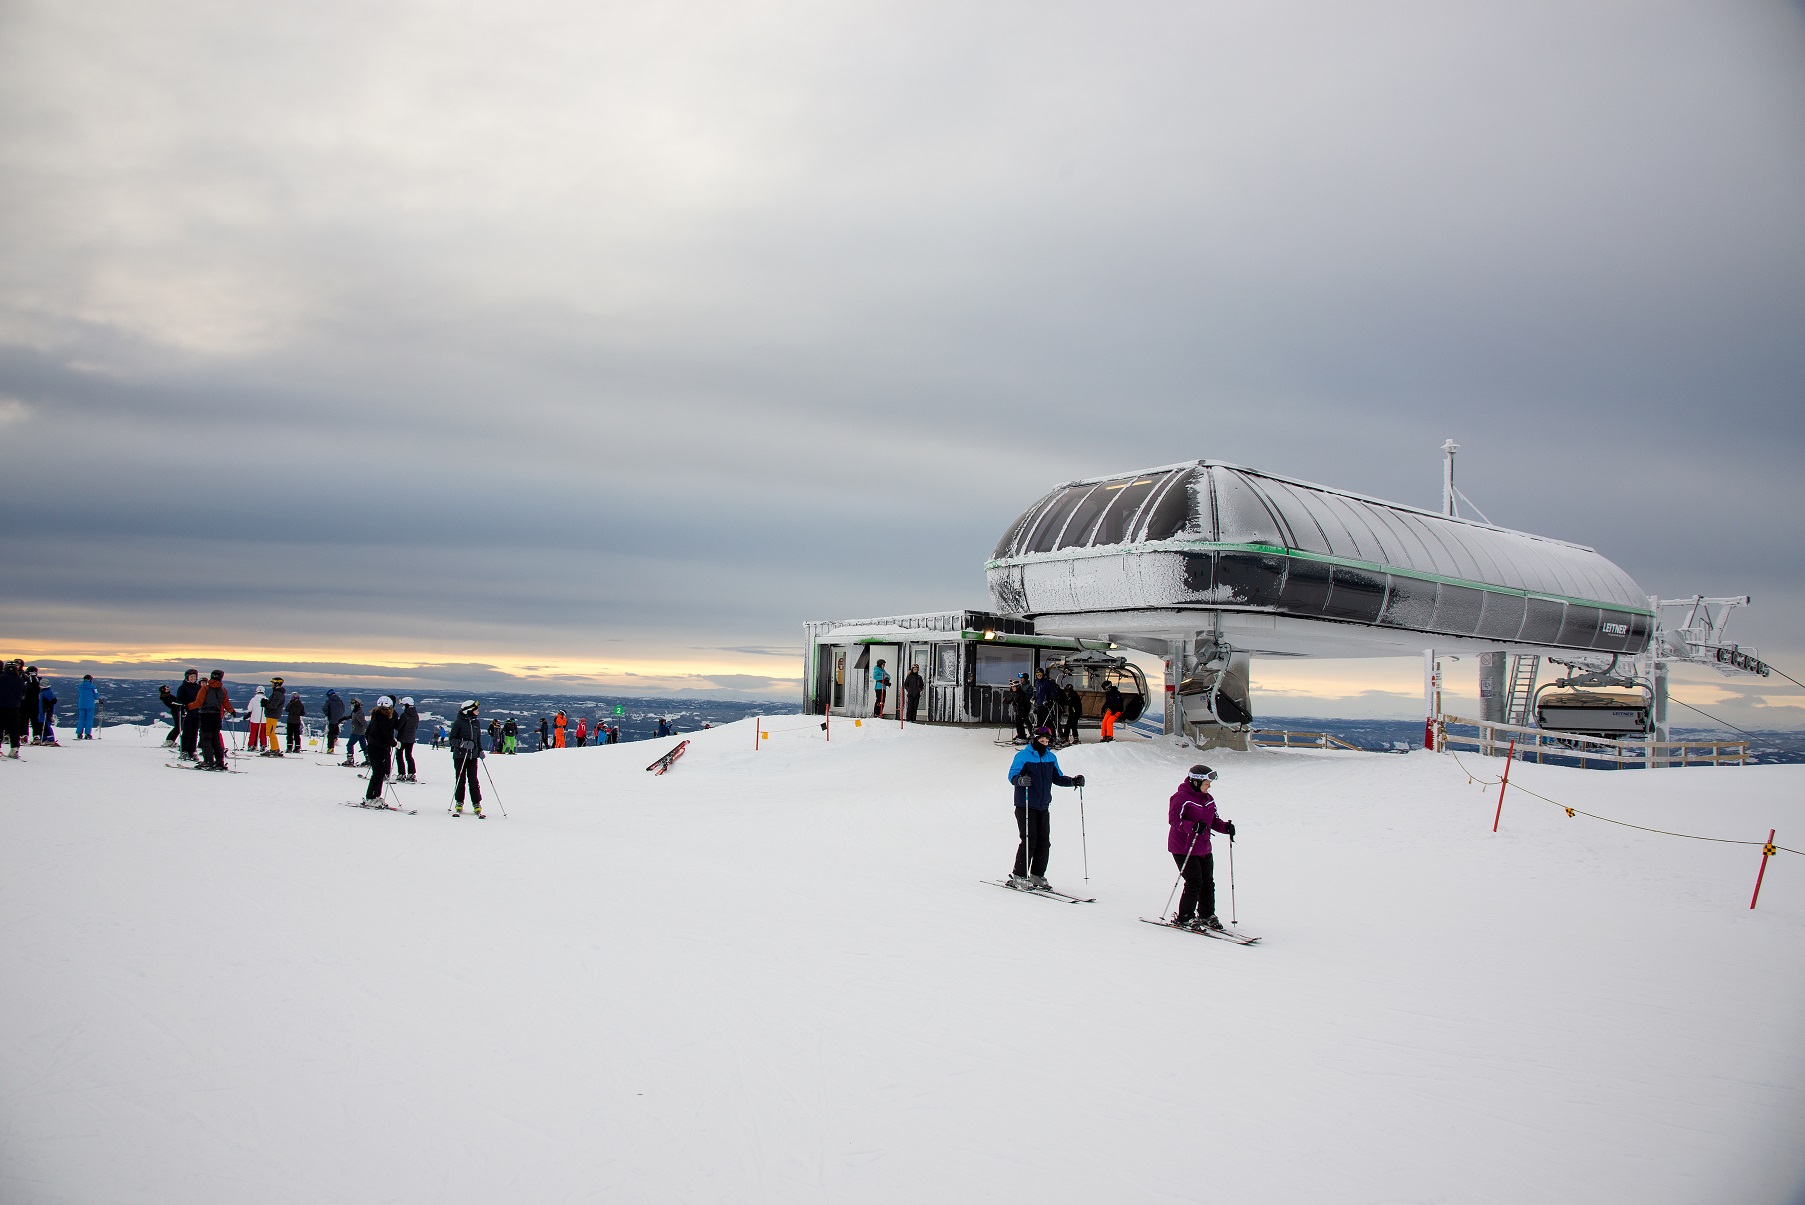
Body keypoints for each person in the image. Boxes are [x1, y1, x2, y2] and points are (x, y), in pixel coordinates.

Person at [1004, 726, 1084, 890]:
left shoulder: (1051, 757)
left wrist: (1073, 781)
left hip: (1043, 805)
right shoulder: (1023, 756)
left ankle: (1037, 875)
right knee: (1029, 840)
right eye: (1041, 740)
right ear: (1035, 739)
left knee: (1044, 842)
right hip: (1025, 805)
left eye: (1047, 741)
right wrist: (1020, 780)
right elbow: (1012, 775)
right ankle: (1019, 875)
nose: (1045, 743)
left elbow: (1058, 778)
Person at [1167, 765, 1235, 931]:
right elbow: (1174, 820)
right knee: (1194, 881)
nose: (1209, 786)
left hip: (1203, 847)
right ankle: (1185, 917)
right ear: (1196, 782)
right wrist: (1193, 826)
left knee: (1207, 882)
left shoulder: (1208, 799)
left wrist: (1226, 827)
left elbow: (1213, 821)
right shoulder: (1181, 797)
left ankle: (1206, 914)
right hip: (1183, 847)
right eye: (1206, 783)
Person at [188, 670, 236, 770]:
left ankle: (208, 761)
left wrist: (187, 707)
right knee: (215, 739)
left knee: (206, 739)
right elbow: (226, 704)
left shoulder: (205, 689)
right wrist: (232, 711)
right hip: (217, 716)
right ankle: (220, 761)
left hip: (206, 716)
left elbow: (199, 702)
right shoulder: (223, 690)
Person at [448, 699, 487, 818]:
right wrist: (462, 744)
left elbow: (477, 739)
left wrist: (480, 750)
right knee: (460, 779)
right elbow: (452, 739)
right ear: (469, 711)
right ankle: (459, 801)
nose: (478, 712)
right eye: (475, 710)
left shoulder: (476, 723)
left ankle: (476, 802)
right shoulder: (458, 723)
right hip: (460, 755)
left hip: (473, 755)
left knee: (473, 779)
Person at [363, 697, 398, 801]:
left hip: (373, 747)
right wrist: (394, 744)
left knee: (379, 772)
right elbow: (387, 735)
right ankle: (372, 797)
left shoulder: (375, 717)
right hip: (380, 749)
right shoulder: (384, 719)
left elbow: (367, 733)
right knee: (379, 773)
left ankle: (375, 796)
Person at [0, 659, 24, 758]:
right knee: (14, 729)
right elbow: (23, 694)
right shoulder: (20, 680)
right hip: (15, 708)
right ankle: (15, 749)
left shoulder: (1, 678)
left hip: (1, 707)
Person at [175, 669, 202, 760]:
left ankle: (192, 751)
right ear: (187, 677)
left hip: (197, 713)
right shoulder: (182, 687)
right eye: (191, 677)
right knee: (186, 733)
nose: (193, 679)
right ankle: (184, 751)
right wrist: (184, 706)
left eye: (194, 677)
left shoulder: (199, 688)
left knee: (194, 733)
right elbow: (179, 699)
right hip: (187, 713)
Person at [395, 697, 420, 782]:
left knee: (399, 755)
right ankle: (411, 773)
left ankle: (401, 773)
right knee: (409, 756)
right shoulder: (416, 715)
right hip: (411, 739)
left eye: (402, 705)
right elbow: (415, 727)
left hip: (402, 738)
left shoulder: (404, 715)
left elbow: (398, 727)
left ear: (406, 705)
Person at [264, 678, 287, 756]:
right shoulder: (278, 693)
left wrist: (266, 704)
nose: (271, 685)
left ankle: (275, 749)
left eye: (273, 683)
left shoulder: (277, 694)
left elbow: (273, 705)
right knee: (270, 732)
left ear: (276, 684)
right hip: (272, 715)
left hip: (272, 715)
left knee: (270, 733)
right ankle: (274, 748)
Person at [343, 699, 367, 766]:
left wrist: (368, 729)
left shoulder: (358, 713)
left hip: (357, 732)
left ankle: (350, 759)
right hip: (360, 732)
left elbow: (363, 722)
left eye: (352, 704)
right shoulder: (356, 711)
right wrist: (344, 718)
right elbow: (352, 716)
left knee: (349, 745)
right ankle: (368, 759)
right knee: (363, 745)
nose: (351, 706)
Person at [1033, 669, 1058, 735]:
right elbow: (1037, 693)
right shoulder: (1037, 682)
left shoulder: (1047, 682)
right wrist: (1034, 698)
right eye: (1037, 675)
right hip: (1039, 704)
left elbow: (1053, 693)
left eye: (1040, 675)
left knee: (1047, 721)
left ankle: (1051, 736)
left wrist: (1049, 700)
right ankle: (1041, 735)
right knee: (1039, 722)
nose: (1039, 676)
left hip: (1046, 705)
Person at [244, 686, 268, 752]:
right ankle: (263, 745)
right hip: (263, 720)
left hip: (254, 719)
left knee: (253, 733)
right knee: (262, 733)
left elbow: (249, 709)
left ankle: (251, 745)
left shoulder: (253, 699)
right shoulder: (266, 699)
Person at [323, 688, 347, 754]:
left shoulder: (329, 701)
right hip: (339, 718)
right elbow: (343, 709)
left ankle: (330, 748)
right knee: (336, 728)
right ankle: (335, 738)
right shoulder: (340, 700)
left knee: (330, 733)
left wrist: (328, 714)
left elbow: (325, 709)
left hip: (332, 718)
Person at [22, 666, 42, 743]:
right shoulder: (38, 681)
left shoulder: (25, 680)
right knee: (35, 720)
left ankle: (24, 735)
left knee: (24, 720)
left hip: (25, 703)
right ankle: (36, 735)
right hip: (35, 703)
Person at [1009, 674, 1032, 742]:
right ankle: (1020, 735)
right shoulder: (1019, 687)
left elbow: (1025, 698)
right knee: (1018, 722)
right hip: (1019, 709)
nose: (1021, 680)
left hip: (1024, 708)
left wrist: (1018, 702)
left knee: (1022, 722)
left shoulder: (1027, 687)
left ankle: (1024, 736)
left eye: (1022, 678)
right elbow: (1014, 696)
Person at [77, 674, 99, 739]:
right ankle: (87, 734)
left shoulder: (80, 686)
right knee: (89, 719)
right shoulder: (93, 687)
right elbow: (96, 696)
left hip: (81, 704)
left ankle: (79, 733)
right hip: (90, 705)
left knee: (81, 719)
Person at [1059, 681, 1082, 745]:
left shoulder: (1073, 695)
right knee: (1068, 724)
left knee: (1073, 724)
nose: (1066, 692)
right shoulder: (1070, 695)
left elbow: (1069, 702)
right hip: (1072, 712)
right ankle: (1065, 737)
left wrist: (1062, 701)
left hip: (1076, 712)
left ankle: (1076, 738)